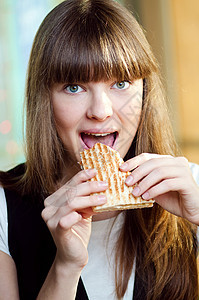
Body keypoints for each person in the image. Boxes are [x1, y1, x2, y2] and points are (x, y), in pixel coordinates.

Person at [0, 0, 199, 299]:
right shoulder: (4, 208)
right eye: (74, 87)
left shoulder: (190, 186)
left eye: (120, 82)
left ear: (144, 91)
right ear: (45, 99)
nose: (100, 111)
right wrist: (66, 265)